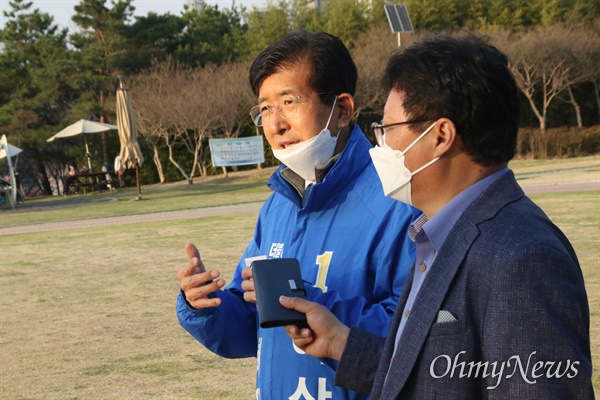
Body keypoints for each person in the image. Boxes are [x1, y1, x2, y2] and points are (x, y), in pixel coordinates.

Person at [280, 35, 593, 399]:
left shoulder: (523, 256)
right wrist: (341, 342)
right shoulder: (435, 234)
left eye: (387, 130)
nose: (379, 146)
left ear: (441, 135)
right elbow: (438, 376)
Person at [176, 31, 418, 400]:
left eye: (289, 101)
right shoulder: (278, 204)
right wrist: (205, 305)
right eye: (266, 109)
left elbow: (419, 335)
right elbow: (252, 327)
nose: (276, 124)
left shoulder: (398, 199)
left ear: (342, 109)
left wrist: (309, 303)